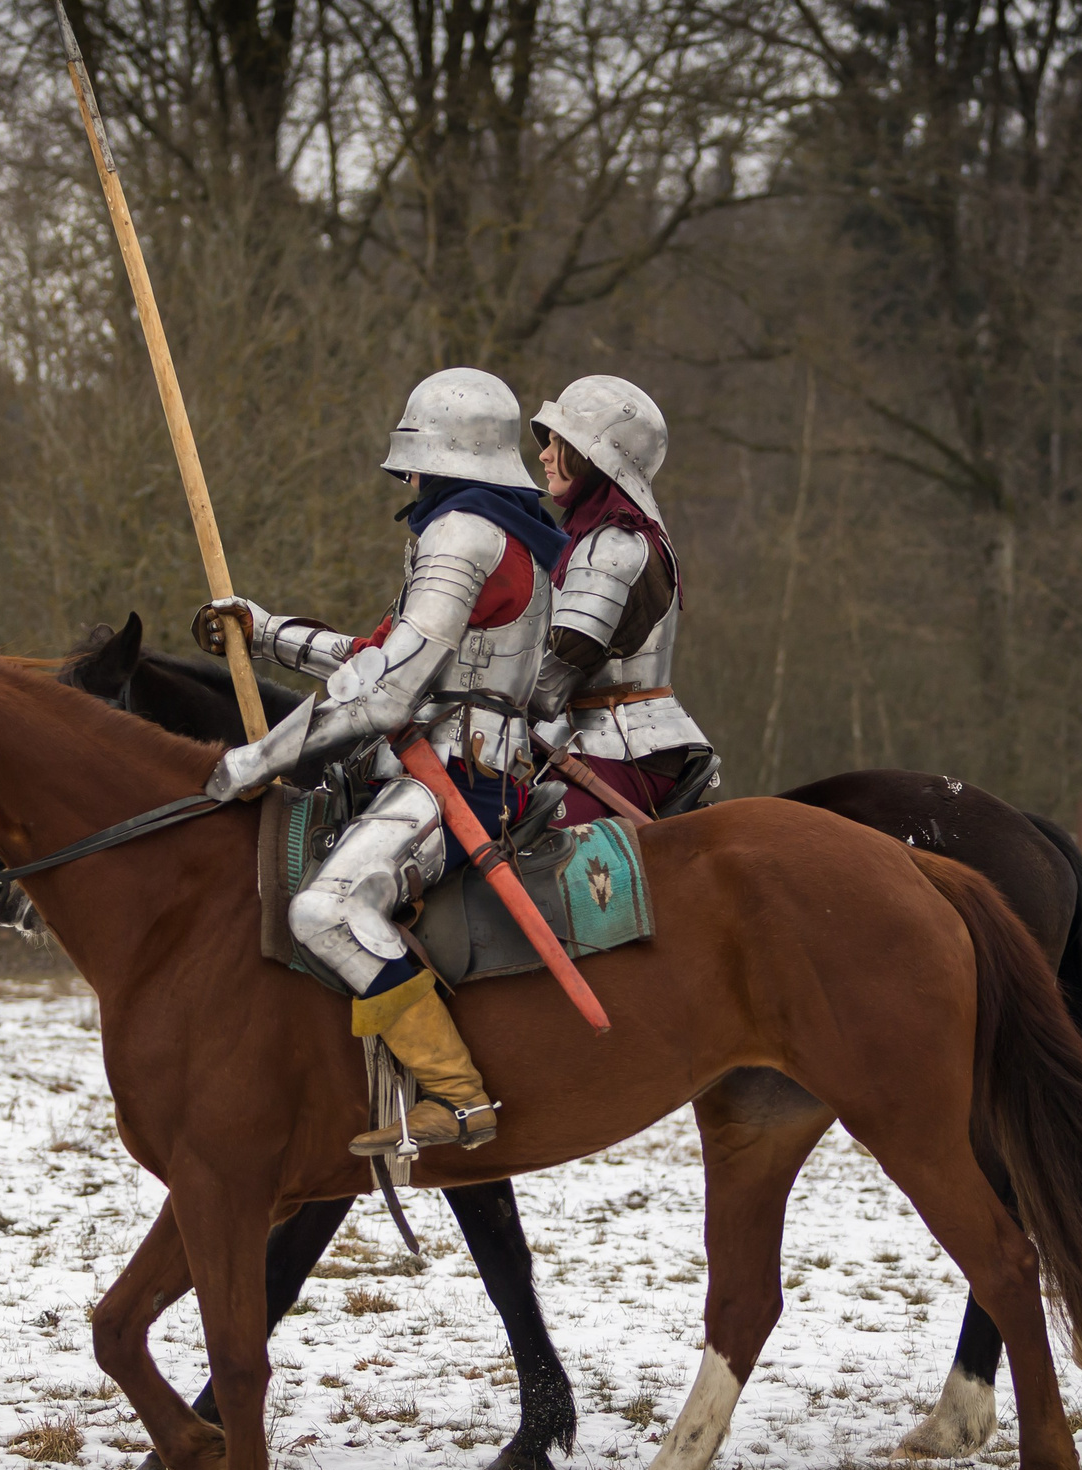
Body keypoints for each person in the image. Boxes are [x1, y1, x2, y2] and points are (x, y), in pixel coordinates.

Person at [194, 368, 565, 1155]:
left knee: (326, 910)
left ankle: (460, 1098)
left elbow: (387, 697)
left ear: (442, 459)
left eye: (415, 461)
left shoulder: (462, 532)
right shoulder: (499, 531)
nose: (408, 478)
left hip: (455, 778)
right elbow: (374, 657)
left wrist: (257, 759)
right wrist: (262, 630)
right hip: (449, 762)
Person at [526, 376, 715, 826]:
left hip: (626, 747)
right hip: (576, 738)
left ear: (595, 456)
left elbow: (549, 683)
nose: (544, 455)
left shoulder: (615, 543)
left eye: (559, 443)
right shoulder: (582, 535)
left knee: (516, 836)